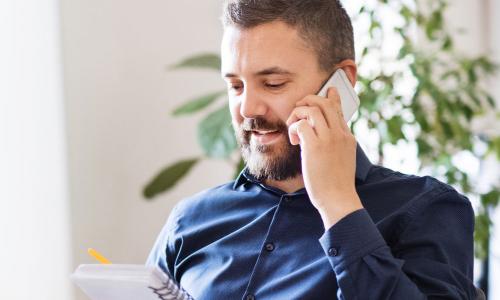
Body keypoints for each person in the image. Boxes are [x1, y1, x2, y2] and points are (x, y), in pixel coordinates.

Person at [147, 0, 477, 299]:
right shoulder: (190, 221)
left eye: (273, 83)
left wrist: (338, 204)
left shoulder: (425, 210)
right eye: (235, 86)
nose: (247, 108)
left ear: (341, 83)